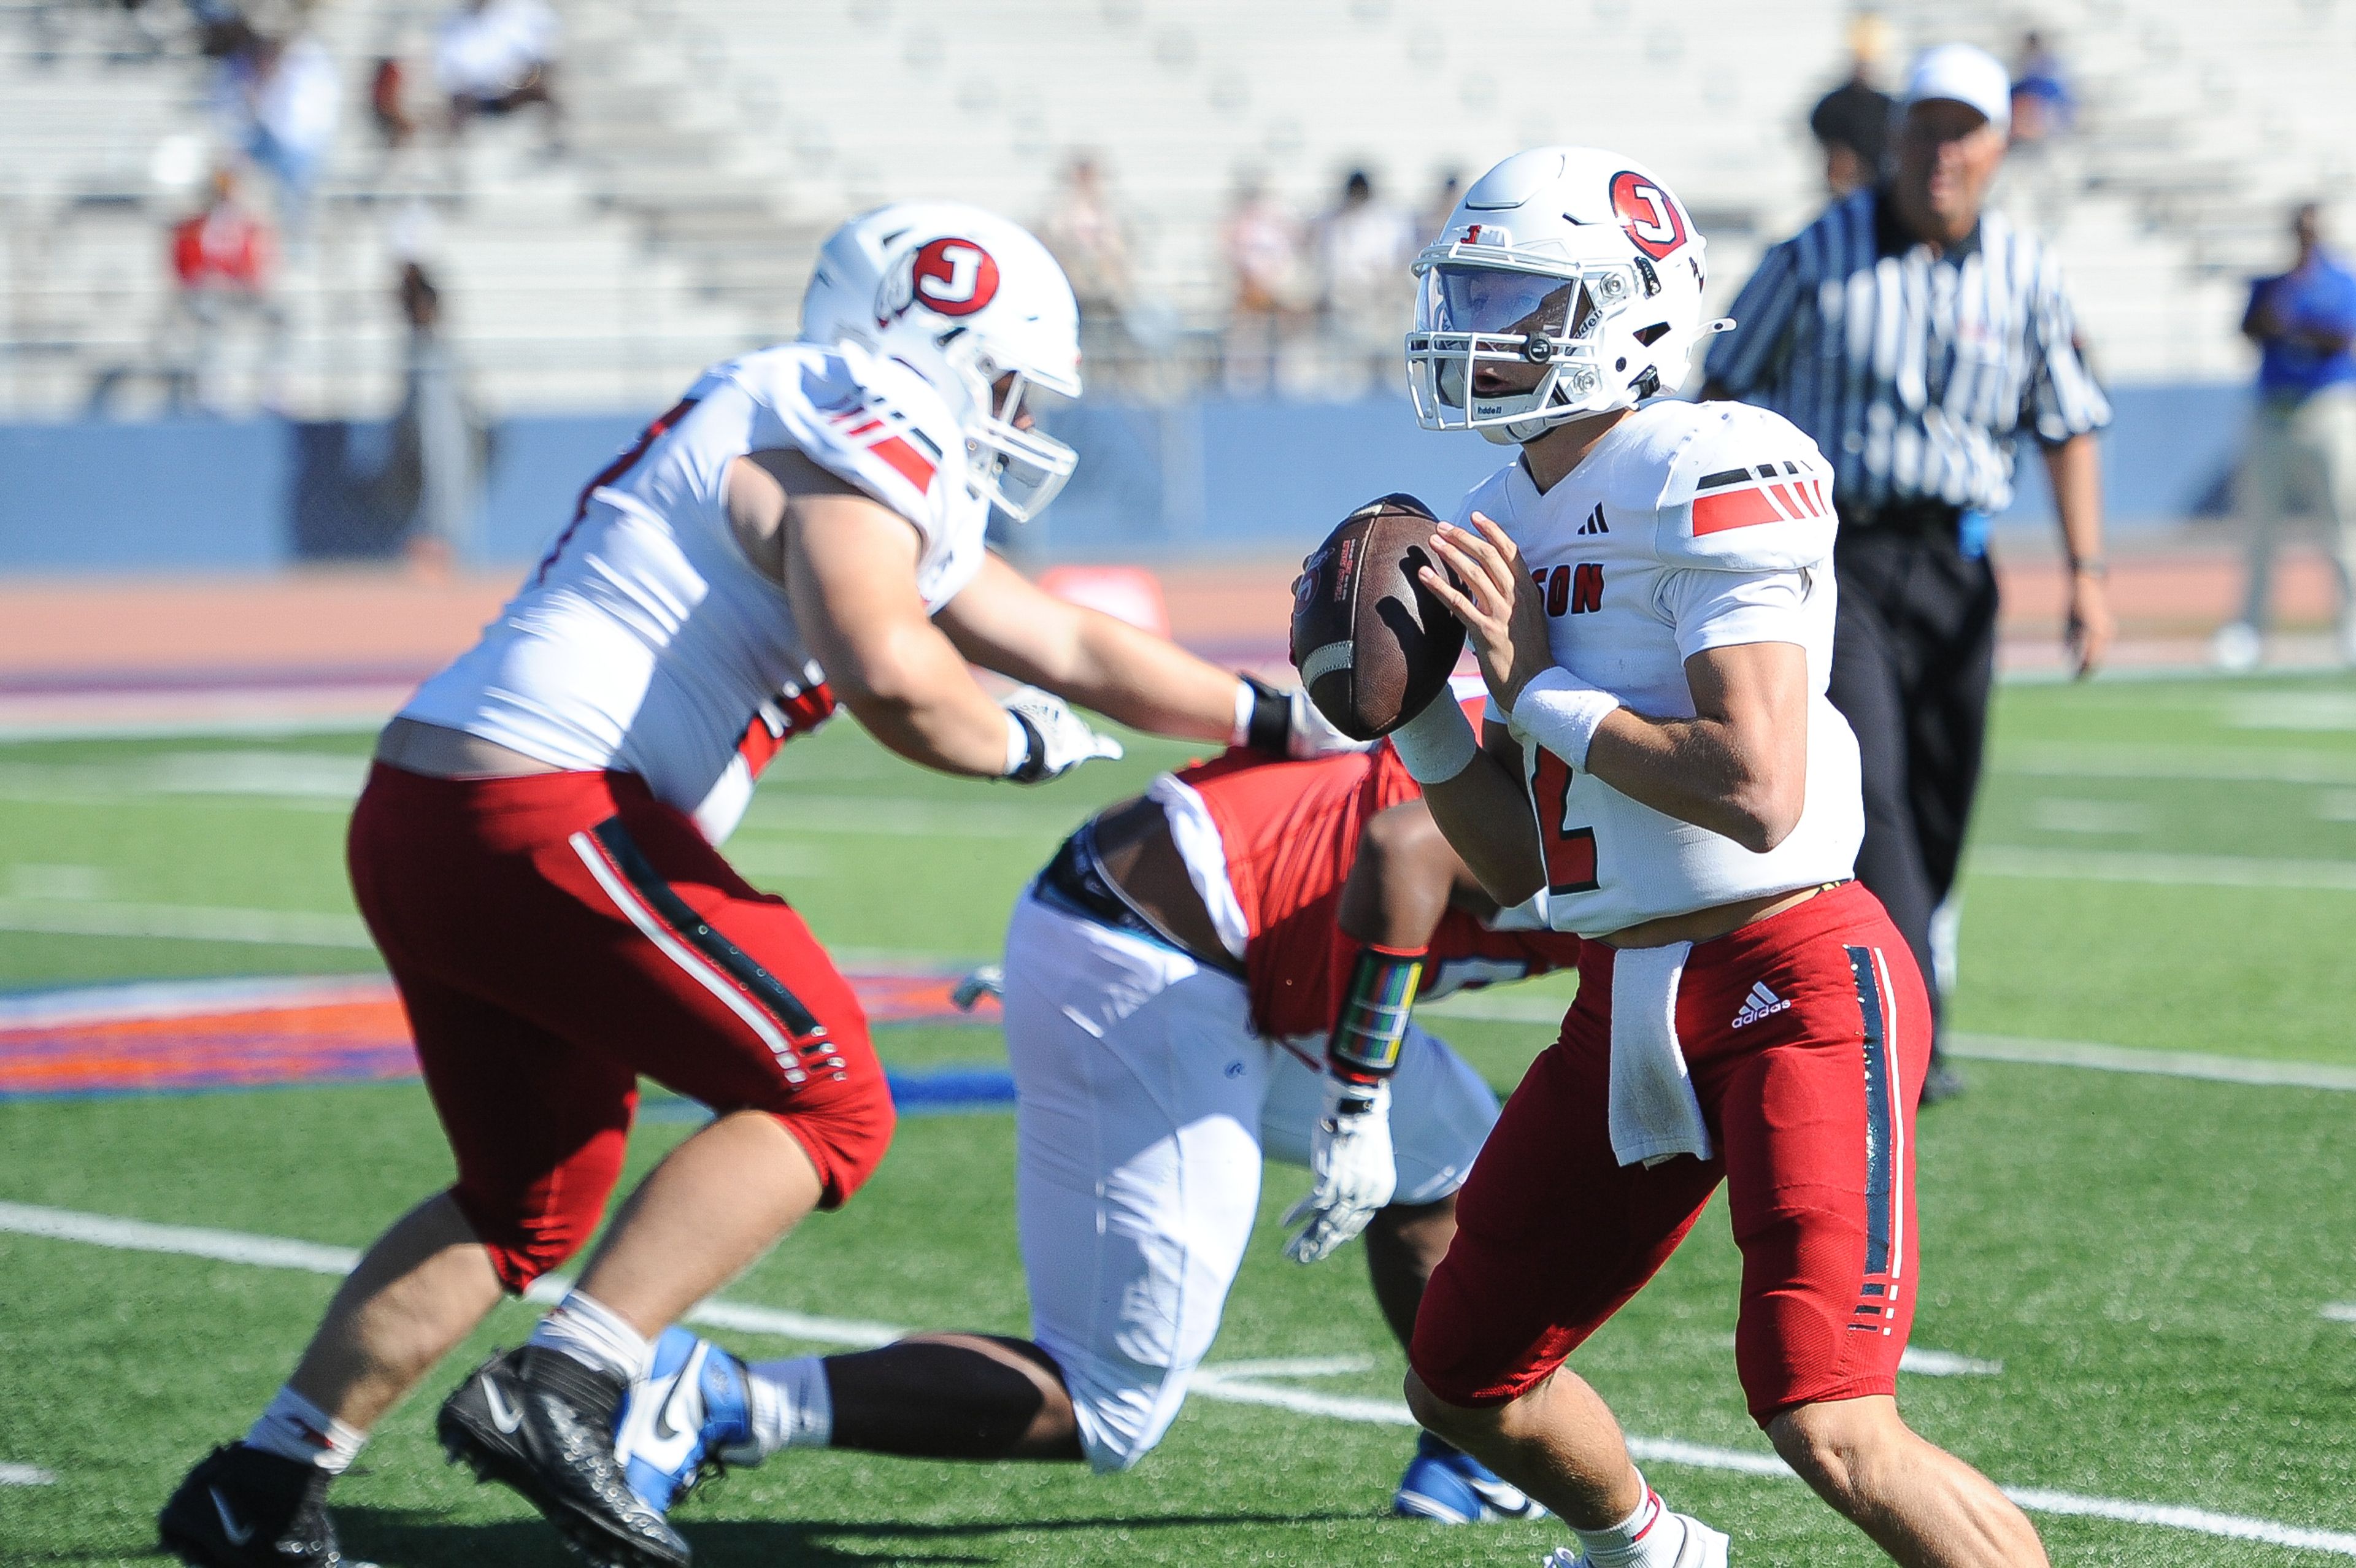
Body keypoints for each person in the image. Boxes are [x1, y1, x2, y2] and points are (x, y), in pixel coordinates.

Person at [155, 202, 1361, 1568]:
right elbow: (892, 668)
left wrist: (1275, 721)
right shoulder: (866, 404)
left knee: (526, 1197)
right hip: (542, 801)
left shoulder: (812, 413)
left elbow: (1066, 637)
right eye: (1008, 375)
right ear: (939, 338)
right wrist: (1013, 743)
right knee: (826, 1092)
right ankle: (566, 1389)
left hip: (431, 810)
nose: (1017, 413)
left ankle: (263, 1481)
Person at [1386, 145, 2052, 1567]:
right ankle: (1646, 1550)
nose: (1475, 323)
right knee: (1458, 1377)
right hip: (1621, 987)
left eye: (1514, 294)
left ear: (1625, 309)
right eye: (1470, 288)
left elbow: (1756, 789)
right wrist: (1420, 736)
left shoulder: (1715, 461)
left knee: (1829, 1420)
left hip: (1788, 969)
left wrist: (1534, 692)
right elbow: (1519, 870)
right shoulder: (1503, 515)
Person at [610, 694, 1579, 1526]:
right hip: (1161, 961)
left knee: (1450, 1154)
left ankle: (1474, 1444)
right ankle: (725, 1398)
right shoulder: (1648, 828)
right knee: (1110, 1399)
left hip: (1199, 941)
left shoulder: (1640, 777)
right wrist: (1355, 1099)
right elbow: (1404, 849)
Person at [1703, 42, 2114, 1102]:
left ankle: (1906, 995)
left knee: (1941, 794)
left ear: (1995, 147)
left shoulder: (2025, 270)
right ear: (1896, 140)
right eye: (1924, 129)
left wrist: (2088, 572)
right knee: (1872, 787)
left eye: (1962, 132)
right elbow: (1725, 386)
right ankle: (1905, 1028)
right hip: (1836, 554)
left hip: (1961, 564)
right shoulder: (1816, 251)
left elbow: (2066, 423)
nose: (1941, 153)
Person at [2213, 201, 2356, 671]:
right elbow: (2250, 329)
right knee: (2259, 530)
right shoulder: (2273, 285)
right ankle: (2251, 631)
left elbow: (2340, 338)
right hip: (2273, 413)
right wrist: (2280, 310)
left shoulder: (2341, 283)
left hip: (2325, 409)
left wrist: (2295, 325)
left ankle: (2350, 629)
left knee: (2342, 527)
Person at [1317, 168, 1417, 394]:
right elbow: (1335, 270)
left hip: (1383, 301)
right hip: (1349, 303)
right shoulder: (1336, 223)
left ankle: (1397, 382)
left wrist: (1384, 287)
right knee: (1350, 373)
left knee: (1394, 337)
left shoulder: (1386, 221)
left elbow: (1397, 262)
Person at [1220, 172, 1306, 394]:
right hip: (1250, 295)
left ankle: (1286, 384)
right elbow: (1233, 260)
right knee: (1247, 341)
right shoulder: (1237, 224)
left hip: (1275, 294)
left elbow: (1286, 259)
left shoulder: (1276, 221)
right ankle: (1243, 387)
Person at [436, 0, 561, 147]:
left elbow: (546, 59)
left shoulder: (528, 11)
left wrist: (521, 82)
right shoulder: (451, 23)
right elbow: (449, 77)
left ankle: (551, 142)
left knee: (541, 91)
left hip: (520, 93)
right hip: (473, 101)